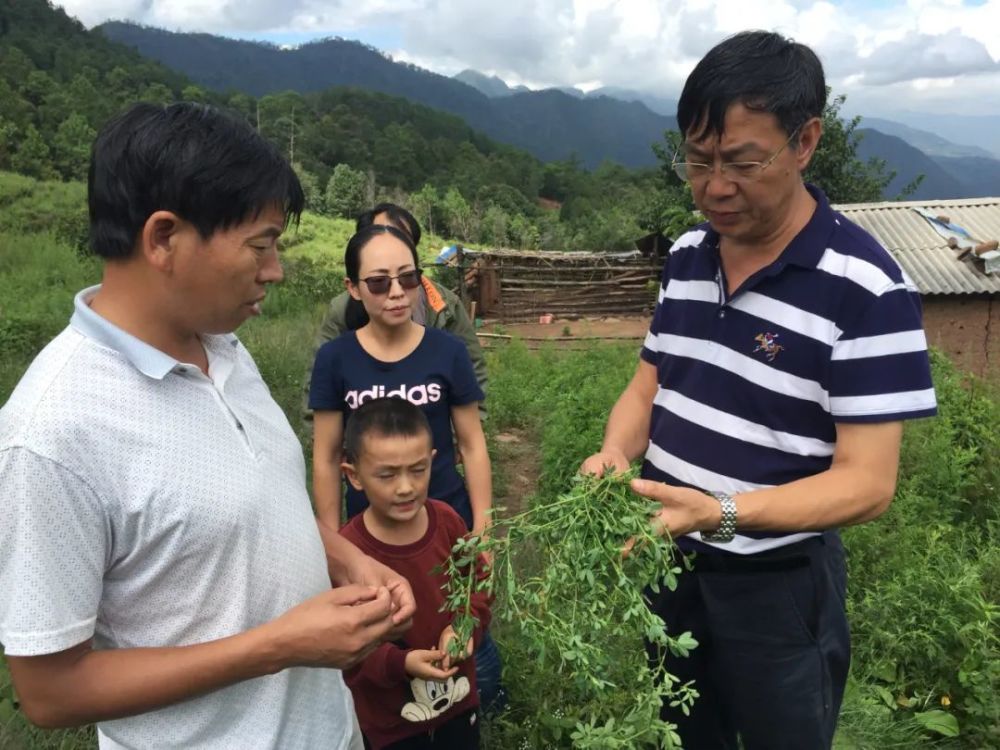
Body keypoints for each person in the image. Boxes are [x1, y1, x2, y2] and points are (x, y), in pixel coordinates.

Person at [0, 102, 415, 750]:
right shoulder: (53, 435)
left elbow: (249, 507)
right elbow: (51, 690)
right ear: (164, 239)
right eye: (261, 245)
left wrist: (349, 558)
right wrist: (277, 646)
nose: (275, 270)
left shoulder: (224, 345)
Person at [580, 31, 937, 750]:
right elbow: (648, 387)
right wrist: (616, 452)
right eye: (699, 161)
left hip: (777, 583)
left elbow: (868, 485)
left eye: (742, 162)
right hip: (668, 559)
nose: (715, 186)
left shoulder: (867, 288)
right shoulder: (686, 257)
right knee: (682, 729)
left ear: (805, 142)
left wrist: (722, 513)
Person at [309, 223, 506, 713]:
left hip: (443, 527)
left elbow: (472, 445)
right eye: (378, 282)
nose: (396, 293)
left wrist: (483, 528)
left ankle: (472, 707)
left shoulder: (448, 353)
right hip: (370, 537)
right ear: (353, 288)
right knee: (381, 642)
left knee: (460, 623)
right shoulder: (335, 359)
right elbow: (327, 455)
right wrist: (331, 543)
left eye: (407, 278)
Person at [338, 397, 490, 749]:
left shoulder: (448, 522)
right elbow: (347, 643)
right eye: (387, 475)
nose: (405, 487)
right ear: (354, 476)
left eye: (417, 470)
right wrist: (400, 663)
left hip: (458, 701)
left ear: (433, 463)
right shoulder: (349, 553)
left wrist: (465, 624)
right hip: (392, 720)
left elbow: (479, 582)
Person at [304, 203, 487, 420]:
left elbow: (473, 372)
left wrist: (455, 441)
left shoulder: (445, 305)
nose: (396, 293)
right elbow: (318, 390)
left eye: (401, 239)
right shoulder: (342, 310)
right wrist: (346, 448)